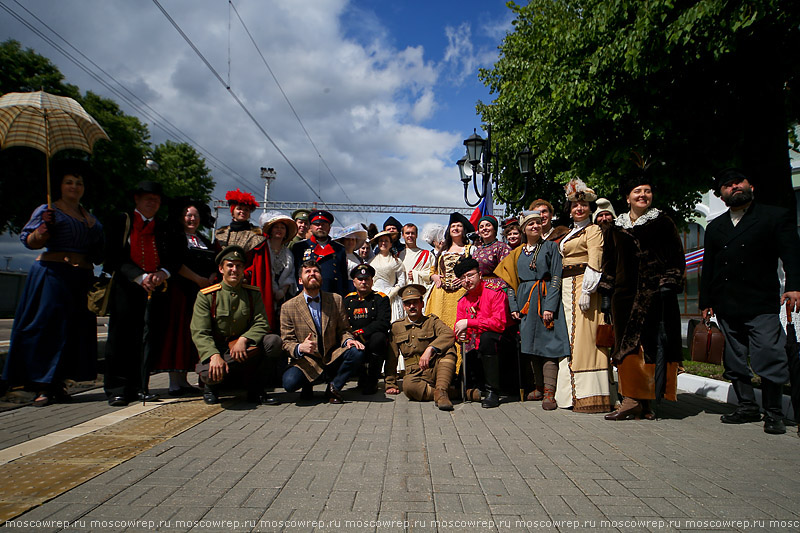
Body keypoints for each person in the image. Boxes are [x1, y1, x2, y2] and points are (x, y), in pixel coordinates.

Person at [699, 168, 800, 435]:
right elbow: (708, 267)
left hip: (761, 302)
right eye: (727, 185)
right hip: (726, 303)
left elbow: (791, 254)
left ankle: (774, 413)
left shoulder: (773, 216)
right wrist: (705, 301)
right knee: (734, 358)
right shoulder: (716, 227)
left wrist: (794, 288)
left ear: (750, 186)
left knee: (769, 353)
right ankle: (746, 406)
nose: (734, 188)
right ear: (720, 194)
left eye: (738, 182)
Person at [2, 160, 103, 406]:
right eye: (69, 182)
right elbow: (30, 241)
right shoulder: (48, 211)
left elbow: (98, 250)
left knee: (74, 330)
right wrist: (45, 227)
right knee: (48, 329)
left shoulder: (88, 216)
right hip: (52, 275)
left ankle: (60, 382)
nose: (74, 187)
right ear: (59, 185)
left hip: (80, 279)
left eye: (79, 183)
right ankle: (42, 384)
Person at [600, 172, 685, 421]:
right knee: (628, 350)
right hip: (624, 298)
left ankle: (647, 403)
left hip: (657, 295)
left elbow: (677, 257)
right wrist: (606, 293)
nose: (643, 195)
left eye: (647, 191)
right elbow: (609, 263)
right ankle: (630, 399)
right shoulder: (615, 229)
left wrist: (670, 280)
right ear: (627, 198)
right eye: (637, 191)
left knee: (653, 347)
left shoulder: (663, 223)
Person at [103, 181, 179, 407]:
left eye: (156, 199)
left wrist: (163, 273)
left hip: (154, 290)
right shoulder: (121, 221)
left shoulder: (164, 227)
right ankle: (117, 388)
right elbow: (114, 256)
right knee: (120, 338)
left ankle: (140, 386)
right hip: (126, 289)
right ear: (136, 199)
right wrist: (139, 276)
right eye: (147, 198)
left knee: (146, 339)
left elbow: (174, 257)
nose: (152, 202)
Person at [191, 245, 283, 406]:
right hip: (219, 348)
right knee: (208, 372)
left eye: (239, 266)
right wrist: (213, 355)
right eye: (230, 265)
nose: (234, 270)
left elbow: (262, 322)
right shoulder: (207, 296)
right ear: (221, 269)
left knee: (273, 342)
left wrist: (244, 339)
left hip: (244, 348)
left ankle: (257, 389)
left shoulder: (252, 293)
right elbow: (200, 332)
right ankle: (211, 388)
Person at [496, 211, 570, 410]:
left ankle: (549, 392)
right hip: (525, 302)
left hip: (544, 298)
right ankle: (537, 387)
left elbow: (556, 278)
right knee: (530, 346)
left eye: (538, 223)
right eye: (531, 224)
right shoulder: (517, 252)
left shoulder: (550, 247)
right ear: (523, 228)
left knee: (548, 347)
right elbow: (509, 282)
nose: (535, 226)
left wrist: (549, 307)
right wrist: (514, 306)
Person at [554, 179, 614, 413]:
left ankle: (589, 396)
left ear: (590, 208)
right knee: (569, 338)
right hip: (567, 287)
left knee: (583, 340)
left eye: (583, 206)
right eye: (574, 206)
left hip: (583, 286)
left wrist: (588, 291)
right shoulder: (570, 233)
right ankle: (569, 394)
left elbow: (595, 260)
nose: (578, 209)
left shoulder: (593, 230)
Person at [154, 198, 216, 397]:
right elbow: (174, 263)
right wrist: (198, 279)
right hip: (180, 293)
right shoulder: (176, 238)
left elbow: (214, 262)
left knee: (193, 334)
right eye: (188, 215)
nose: (192, 219)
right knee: (178, 334)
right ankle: (175, 383)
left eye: (196, 216)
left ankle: (184, 381)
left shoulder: (204, 240)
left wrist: (211, 276)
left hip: (200, 295)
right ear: (181, 217)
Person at [280, 260, 365, 403]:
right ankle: (307, 384)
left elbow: (344, 330)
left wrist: (349, 340)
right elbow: (286, 342)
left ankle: (334, 387)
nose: (312, 274)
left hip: (332, 355)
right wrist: (300, 347)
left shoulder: (335, 300)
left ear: (321, 277)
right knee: (289, 383)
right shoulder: (288, 307)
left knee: (357, 351)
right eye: (307, 272)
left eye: (316, 271)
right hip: (307, 359)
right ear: (300, 280)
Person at [453, 257, 515, 408]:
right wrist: (459, 335)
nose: (467, 280)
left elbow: (499, 324)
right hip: (479, 346)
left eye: (470, 275)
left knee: (487, 338)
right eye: (462, 278)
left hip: (503, 341)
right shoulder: (463, 301)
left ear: (480, 275)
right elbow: (461, 328)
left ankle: (492, 392)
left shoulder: (495, 292)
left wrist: (470, 323)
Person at [386, 284, 458, 410]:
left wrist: (430, 349)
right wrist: (390, 383)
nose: (412, 306)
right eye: (408, 304)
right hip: (415, 373)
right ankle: (457, 394)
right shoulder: (396, 327)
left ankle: (441, 391)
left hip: (436, 369)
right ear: (404, 306)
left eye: (415, 303)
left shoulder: (432, 322)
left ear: (422, 304)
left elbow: (449, 334)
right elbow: (392, 356)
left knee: (449, 349)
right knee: (408, 388)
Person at [426, 213, 475, 370]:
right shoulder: (441, 251)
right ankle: (438, 368)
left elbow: (475, 271)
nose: (455, 228)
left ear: (464, 229)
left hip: (460, 295)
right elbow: (432, 270)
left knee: (458, 330)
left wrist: (463, 279)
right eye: (453, 226)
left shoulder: (470, 249)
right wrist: (434, 277)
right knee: (440, 329)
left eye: (459, 225)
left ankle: (460, 369)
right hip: (440, 296)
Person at [345, 264, 392, 395]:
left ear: (372, 281)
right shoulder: (348, 300)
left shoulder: (381, 298)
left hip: (372, 337)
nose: (363, 282)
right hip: (353, 337)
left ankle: (372, 380)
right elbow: (343, 321)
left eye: (367, 279)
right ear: (354, 282)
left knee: (379, 339)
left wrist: (362, 332)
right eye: (360, 279)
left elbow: (383, 322)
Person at [291, 210, 349, 296]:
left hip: (332, 296)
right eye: (317, 224)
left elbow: (343, 277)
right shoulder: (300, 247)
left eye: (324, 225)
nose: (320, 227)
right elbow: (295, 274)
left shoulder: (339, 249)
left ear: (329, 228)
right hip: (307, 295)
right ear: (310, 227)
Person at [255, 210, 297, 314]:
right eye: (276, 227)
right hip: (265, 290)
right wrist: (273, 290)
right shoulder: (263, 248)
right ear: (271, 230)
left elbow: (290, 274)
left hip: (283, 296)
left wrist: (282, 291)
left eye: (282, 228)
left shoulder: (288, 253)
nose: (279, 230)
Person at [369, 230, 408, 322]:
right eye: (381, 241)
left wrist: (392, 293)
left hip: (391, 296)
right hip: (374, 296)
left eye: (386, 241)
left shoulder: (396, 261)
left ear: (391, 244)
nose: (383, 243)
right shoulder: (371, 261)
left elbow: (402, 280)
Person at [214, 189, 265, 257]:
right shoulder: (220, 233)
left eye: (246, 209)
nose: (242, 211)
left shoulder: (257, 234)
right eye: (239, 208)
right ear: (232, 212)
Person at [334, 224, 369, 293]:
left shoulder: (358, 258)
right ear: (343, 241)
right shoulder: (338, 256)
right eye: (348, 239)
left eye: (353, 240)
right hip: (342, 287)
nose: (351, 242)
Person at [398, 223, 434, 290]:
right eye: (407, 233)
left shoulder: (427, 254)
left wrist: (416, 274)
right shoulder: (398, 256)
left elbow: (433, 273)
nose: (410, 235)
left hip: (422, 294)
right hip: (402, 293)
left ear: (417, 235)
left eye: (413, 233)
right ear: (403, 235)